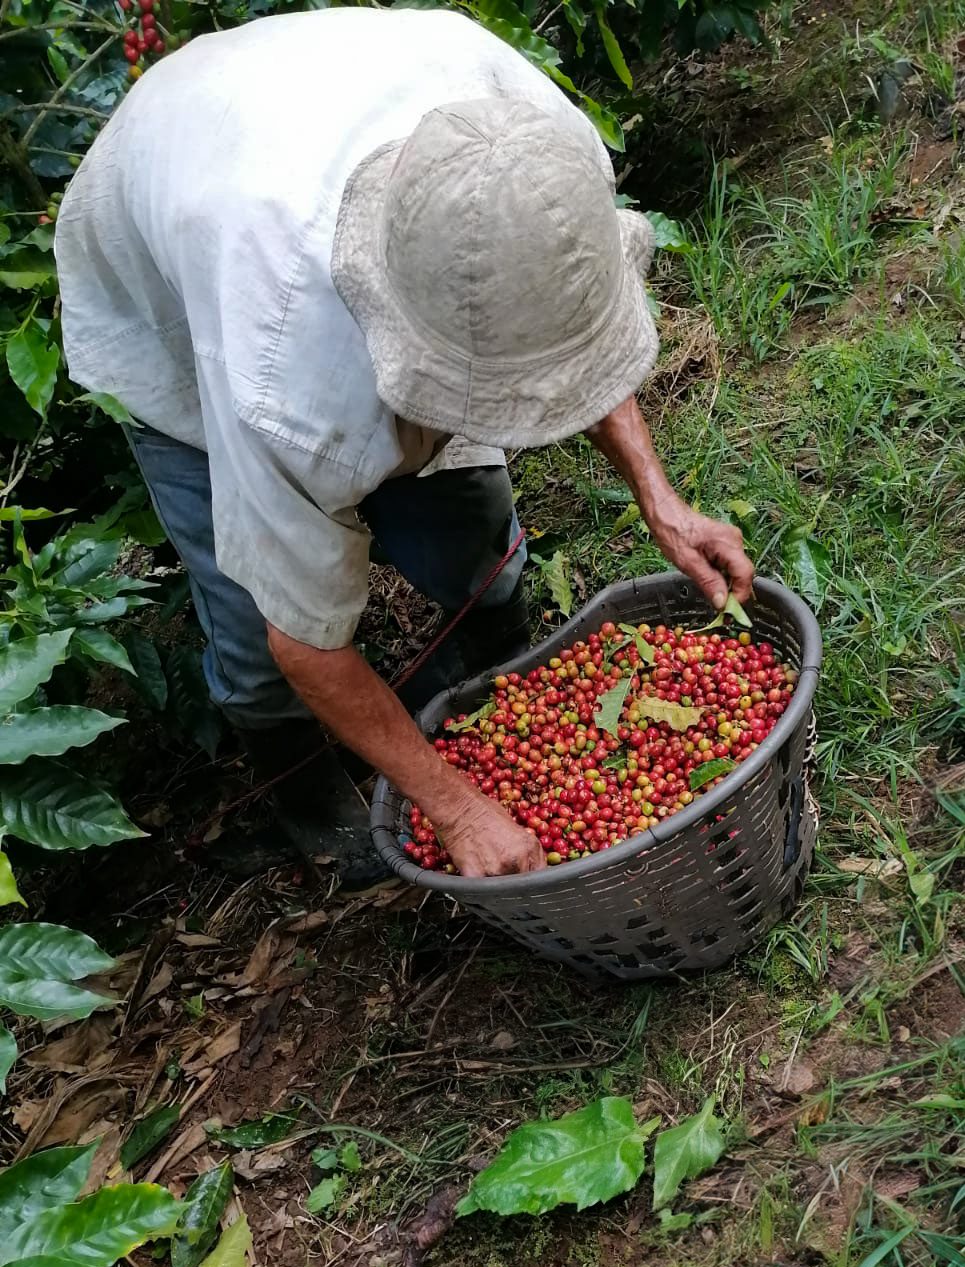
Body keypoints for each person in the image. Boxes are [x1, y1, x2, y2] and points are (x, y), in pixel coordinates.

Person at [55, 8, 754, 889]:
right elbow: (300, 639)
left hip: (304, 114)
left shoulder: (528, 144)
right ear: (420, 334)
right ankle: (308, 802)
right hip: (166, 275)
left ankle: (470, 684)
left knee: (471, 536)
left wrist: (661, 497)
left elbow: (565, 323)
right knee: (252, 614)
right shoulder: (283, 383)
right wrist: (456, 807)